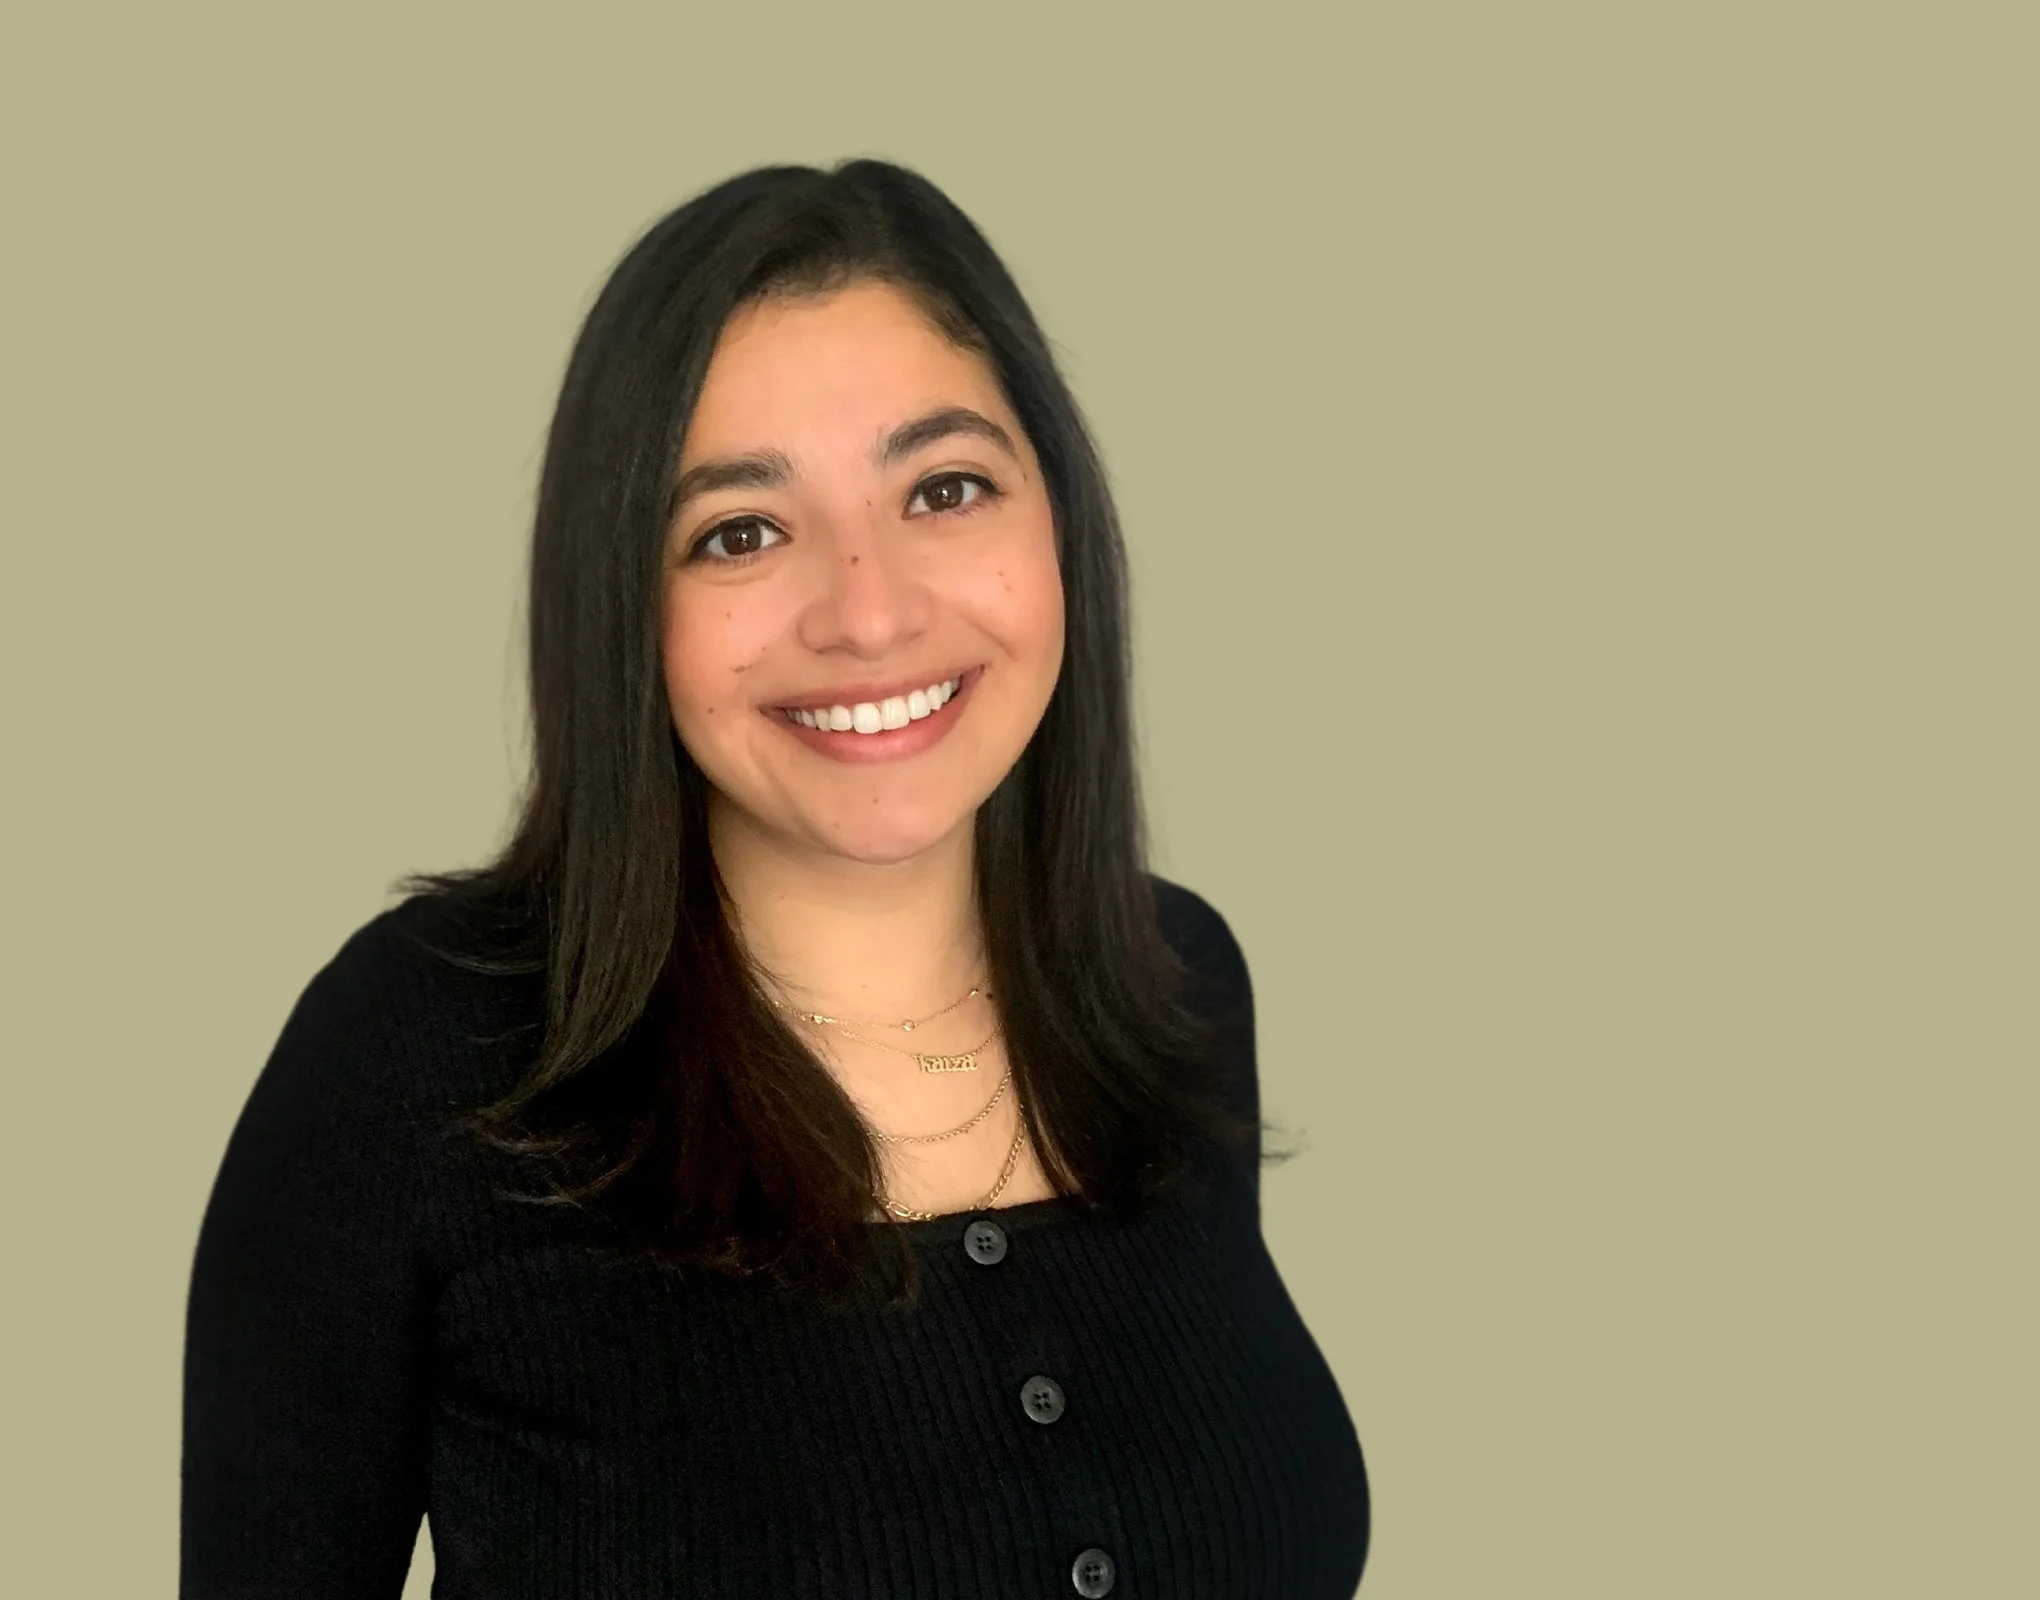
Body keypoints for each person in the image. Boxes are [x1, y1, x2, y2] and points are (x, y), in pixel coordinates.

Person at [181, 158, 1370, 1598]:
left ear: (1059, 524)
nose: (869, 613)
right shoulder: (423, 1060)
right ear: (626, 602)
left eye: (944, 489)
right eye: (740, 531)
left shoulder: (1173, 982)